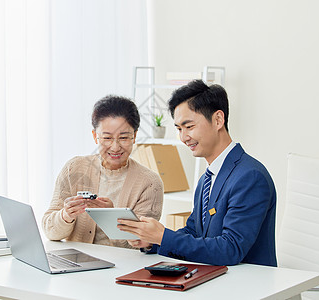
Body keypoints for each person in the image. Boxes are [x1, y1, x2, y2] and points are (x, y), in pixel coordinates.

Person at [118, 80, 277, 266]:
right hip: (215, 279)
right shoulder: (206, 180)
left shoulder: (250, 177)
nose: (184, 137)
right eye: (179, 129)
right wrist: (152, 242)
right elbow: (194, 232)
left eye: (189, 126)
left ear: (218, 120)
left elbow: (231, 249)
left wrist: (163, 236)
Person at [42, 95, 163, 249]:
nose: (115, 147)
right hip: (76, 264)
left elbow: (140, 245)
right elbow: (49, 231)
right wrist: (66, 216)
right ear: (95, 136)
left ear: (134, 136)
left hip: (123, 267)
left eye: (124, 138)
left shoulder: (150, 183)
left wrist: (111, 218)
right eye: (107, 138)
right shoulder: (73, 168)